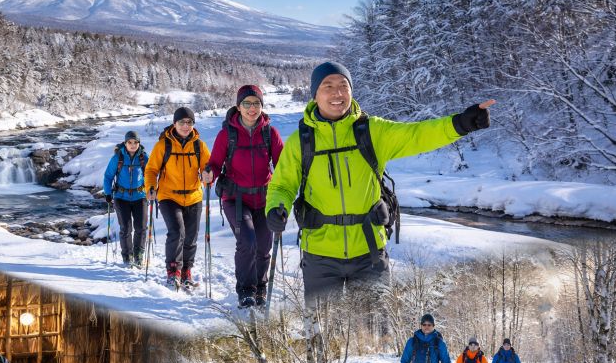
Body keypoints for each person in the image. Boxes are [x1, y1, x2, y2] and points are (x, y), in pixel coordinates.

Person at [265, 62, 497, 305]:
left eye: (344, 85)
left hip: (369, 253)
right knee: (322, 334)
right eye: (328, 86)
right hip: (320, 253)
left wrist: (460, 123)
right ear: (315, 94)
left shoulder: (372, 131)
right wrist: (275, 207)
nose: (337, 93)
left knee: (376, 333)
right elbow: (282, 185)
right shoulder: (301, 141)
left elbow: (417, 135)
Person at [201, 85, 284, 307]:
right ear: (238, 107)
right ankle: (246, 290)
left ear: (261, 106)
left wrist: (289, 186)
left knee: (264, 246)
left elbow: (282, 166)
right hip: (235, 199)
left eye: (256, 103)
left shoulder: (270, 133)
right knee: (247, 241)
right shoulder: (226, 134)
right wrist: (209, 172)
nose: (252, 108)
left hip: (265, 198)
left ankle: (260, 287)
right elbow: (216, 163)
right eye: (247, 103)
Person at [144, 107, 210, 290]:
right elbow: (151, 170)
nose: (186, 126)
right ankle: (173, 272)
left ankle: (187, 271)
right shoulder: (163, 145)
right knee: (177, 232)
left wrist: (208, 175)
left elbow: (208, 167)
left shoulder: (199, 145)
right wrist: (150, 187)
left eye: (189, 122)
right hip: (168, 196)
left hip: (193, 196)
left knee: (191, 237)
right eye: (182, 122)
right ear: (174, 124)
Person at [103, 130, 149, 267]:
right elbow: (108, 176)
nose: (133, 145)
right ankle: (127, 256)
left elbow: (151, 174)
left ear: (139, 143)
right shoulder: (118, 158)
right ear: (125, 143)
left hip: (140, 196)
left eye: (135, 142)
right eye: (130, 142)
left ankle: (139, 255)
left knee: (141, 227)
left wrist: (153, 189)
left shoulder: (144, 158)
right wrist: (107, 193)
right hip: (121, 197)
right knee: (126, 228)